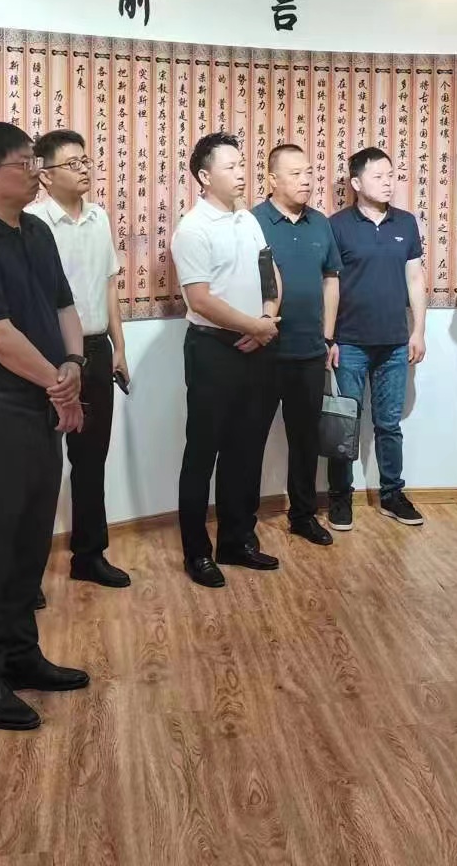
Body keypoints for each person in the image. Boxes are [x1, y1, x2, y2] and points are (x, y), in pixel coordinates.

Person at [0, 122, 90, 732]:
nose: (37, 171)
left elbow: (63, 305)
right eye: (25, 162)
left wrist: (75, 363)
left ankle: (20, 656)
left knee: (30, 540)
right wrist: (59, 384)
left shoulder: (36, 230)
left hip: (41, 403)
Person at [172, 132, 282, 587]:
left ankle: (237, 540)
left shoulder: (247, 219)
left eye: (242, 164)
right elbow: (199, 299)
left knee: (246, 449)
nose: (241, 173)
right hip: (212, 350)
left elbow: (269, 273)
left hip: (256, 345)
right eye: (231, 166)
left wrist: (266, 319)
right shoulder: (193, 228)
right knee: (203, 453)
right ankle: (197, 553)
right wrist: (253, 326)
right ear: (204, 176)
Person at [26, 129, 130, 588]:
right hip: (48, 354)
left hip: (95, 349)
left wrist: (119, 348)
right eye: (73, 163)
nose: (85, 168)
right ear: (45, 175)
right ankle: (26, 575)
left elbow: (109, 285)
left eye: (86, 160)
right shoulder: (32, 223)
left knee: (91, 460)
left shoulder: (98, 217)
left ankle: (89, 556)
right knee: (39, 466)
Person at [327, 147, 427, 529]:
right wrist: (329, 339)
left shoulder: (406, 223)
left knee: (389, 424)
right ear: (356, 183)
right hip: (349, 342)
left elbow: (415, 279)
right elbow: (330, 285)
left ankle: (392, 495)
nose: (388, 183)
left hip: (395, 342)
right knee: (344, 424)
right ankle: (340, 498)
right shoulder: (337, 226)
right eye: (378, 176)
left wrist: (418, 331)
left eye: (391, 175)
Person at [253, 143, 343, 546]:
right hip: (263, 350)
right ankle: (242, 522)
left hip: (309, 351)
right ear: (272, 179)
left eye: (309, 172)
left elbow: (331, 280)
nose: (306, 180)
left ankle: (303, 515)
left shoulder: (320, 223)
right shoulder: (253, 221)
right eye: (295, 174)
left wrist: (327, 337)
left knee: (306, 440)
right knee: (251, 438)